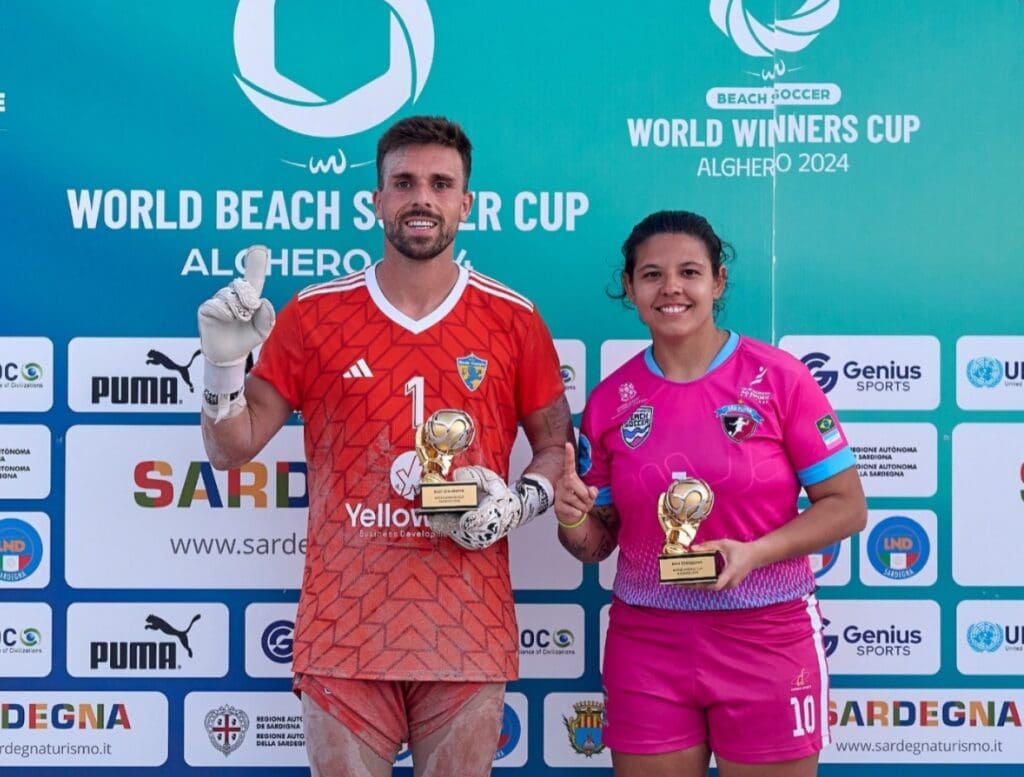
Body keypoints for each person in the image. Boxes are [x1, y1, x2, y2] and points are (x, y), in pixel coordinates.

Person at [197, 116, 570, 777]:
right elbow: (232, 450)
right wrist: (224, 372)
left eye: (439, 183)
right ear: (376, 200)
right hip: (345, 623)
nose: (421, 197)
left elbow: (553, 445)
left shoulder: (514, 318)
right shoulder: (314, 314)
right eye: (403, 182)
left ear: (466, 202)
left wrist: (521, 503)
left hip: (467, 624)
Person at [554, 210, 866, 777]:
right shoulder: (609, 401)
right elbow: (596, 545)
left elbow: (847, 507)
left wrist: (755, 554)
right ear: (629, 288)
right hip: (647, 642)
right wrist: (573, 519)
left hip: (767, 636)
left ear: (717, 282)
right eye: (651, 274)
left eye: (689, 272)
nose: (671, 287)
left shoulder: (779, 378)